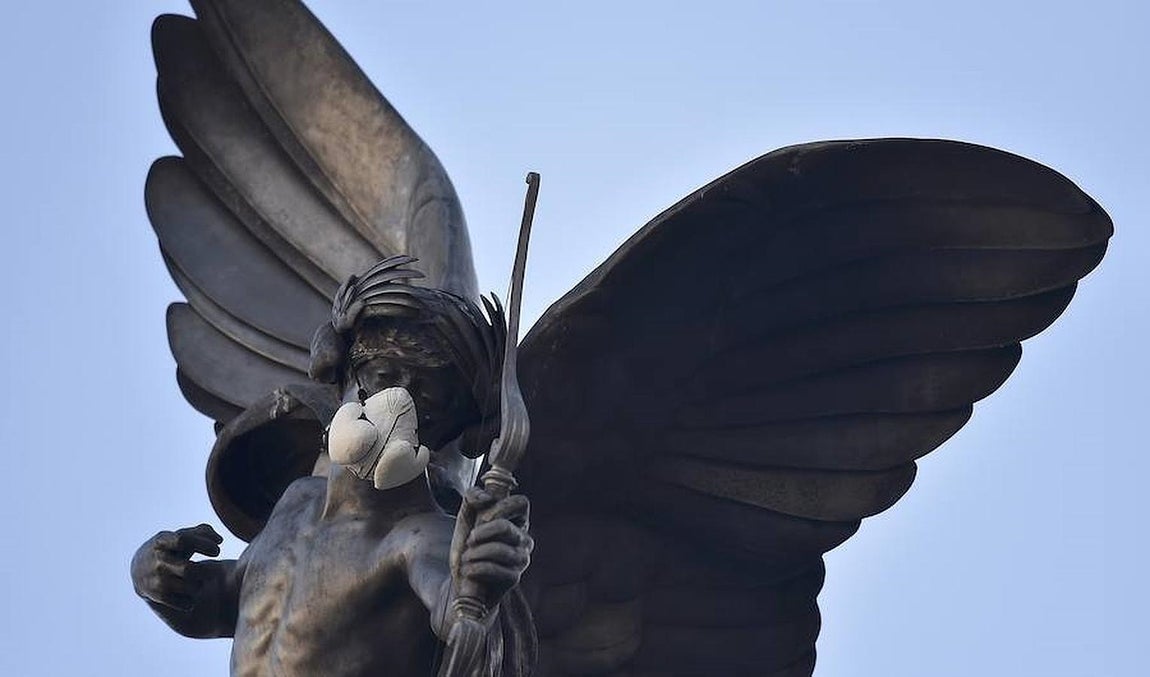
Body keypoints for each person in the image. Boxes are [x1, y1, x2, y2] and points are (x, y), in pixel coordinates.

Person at [131, 257, 534, 677]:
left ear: (442, 436)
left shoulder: (419, 537)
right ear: (342, 375)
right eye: (382, 377)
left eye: (425, 407)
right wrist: (157, 579)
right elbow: (222, 601)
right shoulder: (297, 500)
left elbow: (456, 613)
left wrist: (476, 592)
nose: (393, 409)